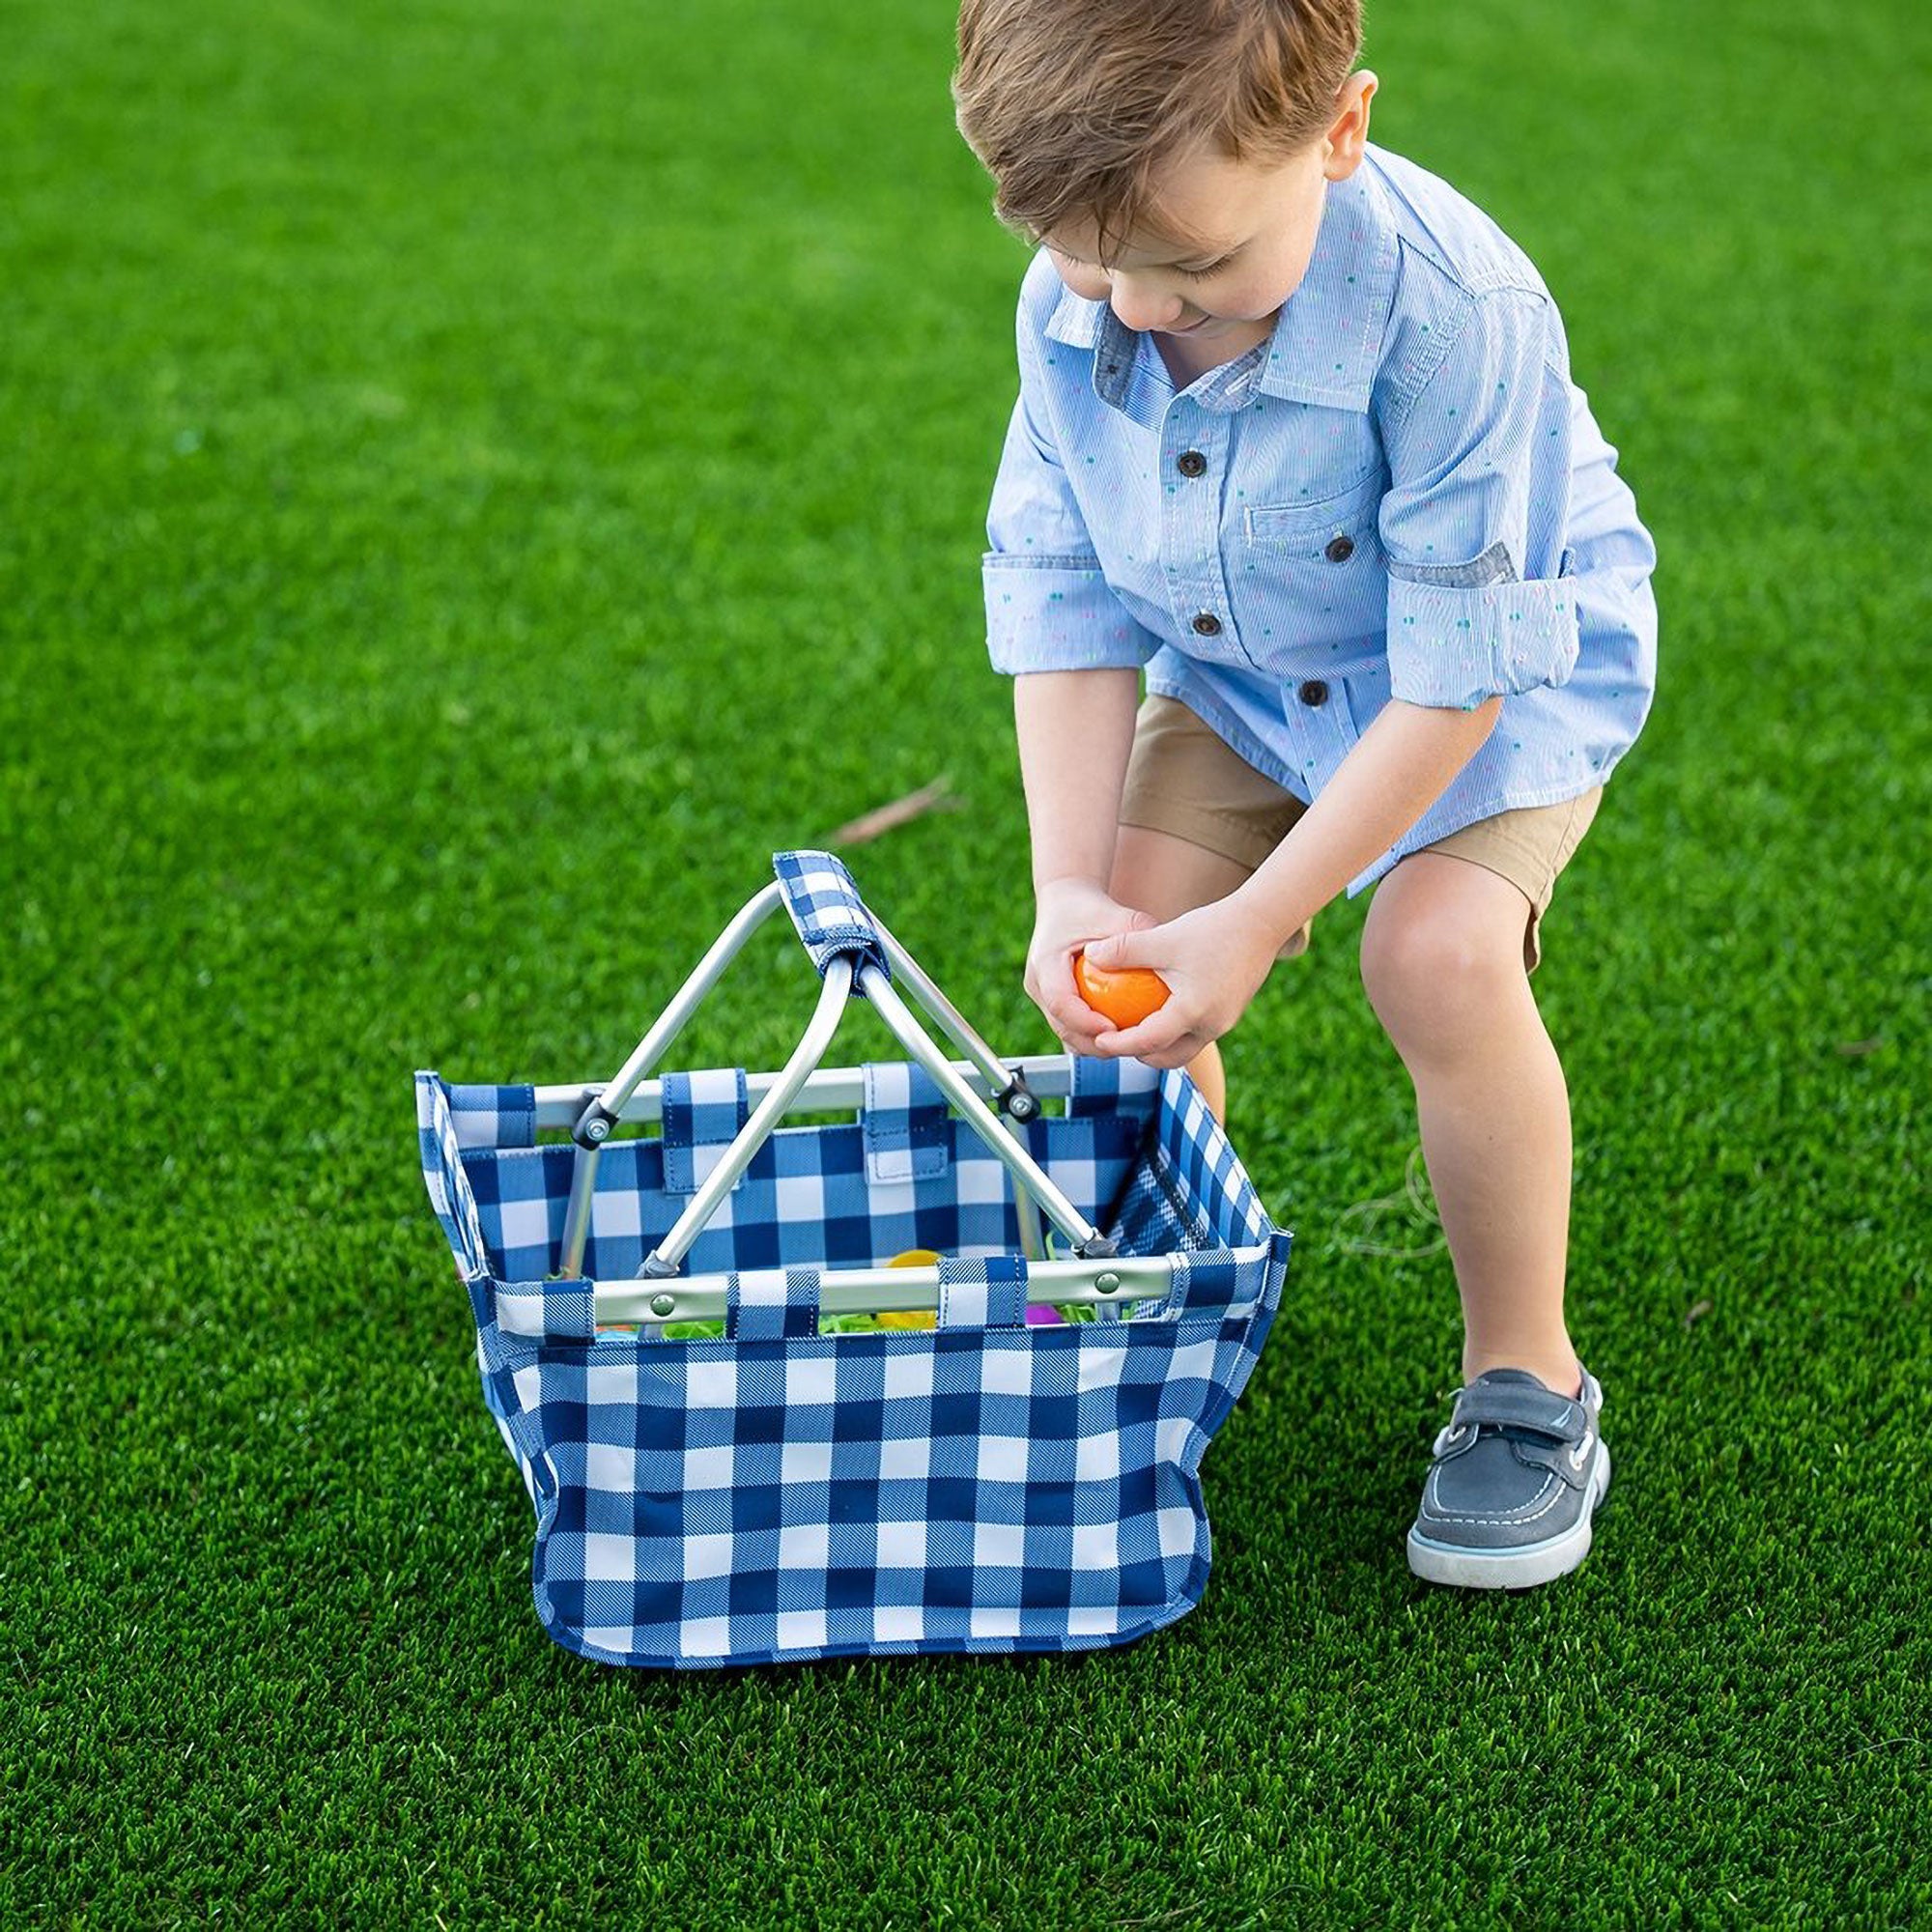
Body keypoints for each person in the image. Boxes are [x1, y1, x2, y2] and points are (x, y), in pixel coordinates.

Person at [953, 0, 1657, 1588]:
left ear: (1337, 132)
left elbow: (1460, 669)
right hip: (1252, 675)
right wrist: (1073, 892)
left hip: (1486, 680)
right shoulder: (1090, 288)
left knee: (1436, 955)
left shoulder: (1454, 308)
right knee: (1120, 970)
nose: (1134, 309)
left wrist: (1268, 921)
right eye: (1088, 262)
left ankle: (1528, 1386)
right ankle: (1149, 1320)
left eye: (1193, 269)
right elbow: (1063, 593)